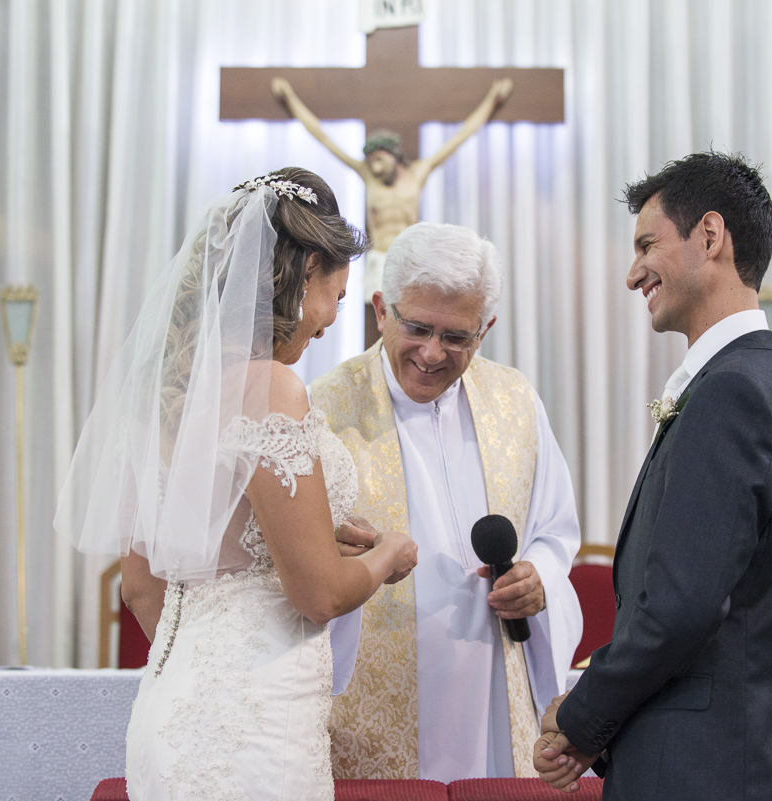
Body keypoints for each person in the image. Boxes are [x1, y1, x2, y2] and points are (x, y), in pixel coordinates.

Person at [54, 168, 418, 801]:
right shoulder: (271, 388)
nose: (333, 317)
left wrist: (293, 535)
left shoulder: (162, 402)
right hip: (256, 721)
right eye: (336, 292)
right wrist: (391, 552)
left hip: (169, 715)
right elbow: (320, 595)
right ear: (304, 273)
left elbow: (143, 587)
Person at [534, 153, 772, 799]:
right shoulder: (753, 379)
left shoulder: (732, 392)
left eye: (646, 245)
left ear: (710, 237)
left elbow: (678, 608)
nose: (632, 273)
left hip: (704, 773)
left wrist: (579, 717)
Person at [310, 222, 583, 781]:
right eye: (417, 327)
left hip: (495, 691)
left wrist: (541, 576)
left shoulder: (516, 402)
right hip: (369, 712)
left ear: (486, 329)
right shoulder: (323, 410)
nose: (432, 354)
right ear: (382, 309)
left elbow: (555, 534)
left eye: (457, 337)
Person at [270, 77, 512, 305]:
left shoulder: (418, 173)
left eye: (379, 160)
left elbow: (462, 135)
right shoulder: (368, 175)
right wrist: (290, 97)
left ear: (394, 155)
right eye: (371, 160)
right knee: (377, 316)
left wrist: (493, 99)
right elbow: (323, 137)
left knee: (410, 313)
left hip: (410, 258)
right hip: (379, 257)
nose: (374, 166)